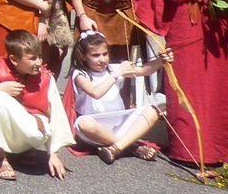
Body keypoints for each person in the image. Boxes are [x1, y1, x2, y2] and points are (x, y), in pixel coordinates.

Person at [134, 0, 228, 167]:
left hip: (217, 33)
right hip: (182, 31)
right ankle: (186, 149)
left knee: (218, 89)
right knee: (184, 87)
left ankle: (218, 148)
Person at [0, 30, 74, 181]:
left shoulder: (45, 78)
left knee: (35, 131)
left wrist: (53, 153)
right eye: (32, 58)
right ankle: (0, 156)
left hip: (31, 128)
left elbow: (57, 114)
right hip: (4, 124)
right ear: (13, 59)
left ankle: (26, 147)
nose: (38, 62)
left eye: (39, 56)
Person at [67, 30, 170, 164]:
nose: (102, 59)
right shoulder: (80, 74)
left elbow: (145, 70)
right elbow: (96, 93)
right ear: (83, 56)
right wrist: (117, 74)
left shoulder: (113, 69)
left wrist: (161, 60)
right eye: (95, 55)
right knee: (83, 123)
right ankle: (132, 146)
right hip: (95, 131)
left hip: (120, 126)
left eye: (105, 54)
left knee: (152, 109)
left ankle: (116, 147)